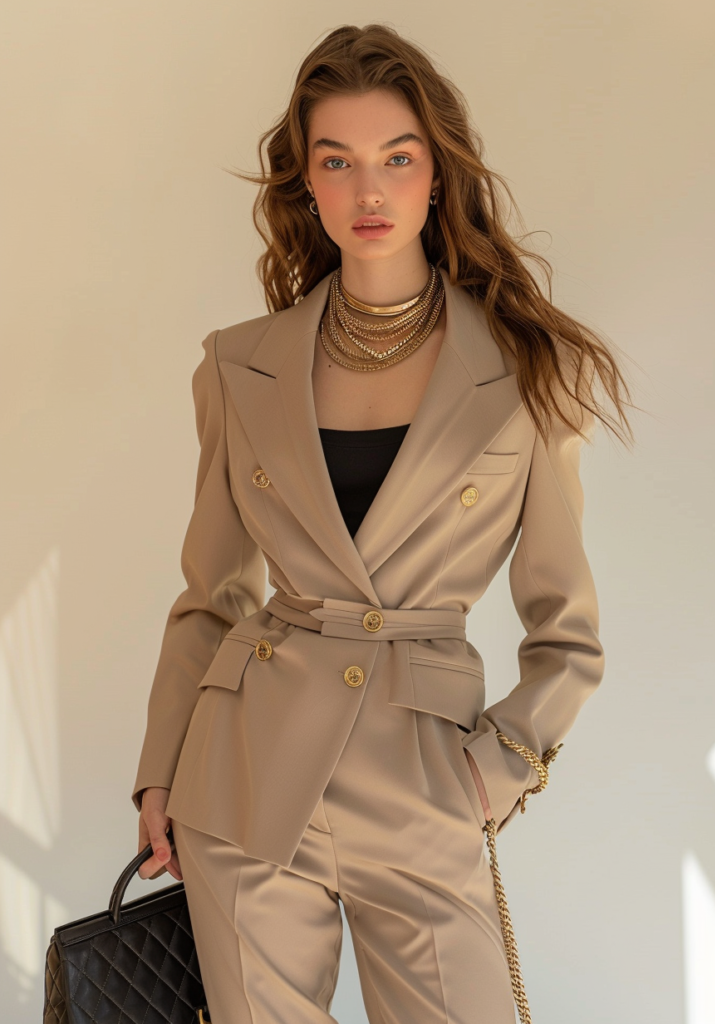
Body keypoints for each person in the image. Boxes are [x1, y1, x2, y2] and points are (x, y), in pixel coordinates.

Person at [132, 22, 633, 1024]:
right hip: (243, 779)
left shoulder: (528, 372)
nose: (369, 190)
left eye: (397, 159)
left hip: (423, 783)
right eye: (338, 161)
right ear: (306, 183)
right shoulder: (237, 365)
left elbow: (566, 633)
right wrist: (159, 775)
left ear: (437, 174)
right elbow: (211, 595)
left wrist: (494, 774)